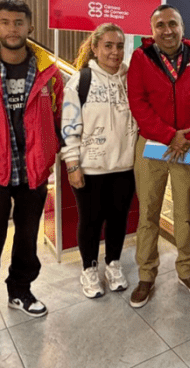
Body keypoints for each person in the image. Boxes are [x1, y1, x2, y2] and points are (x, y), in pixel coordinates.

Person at [0, 0, 64, 346]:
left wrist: (50, 152)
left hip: (33, 171)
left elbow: (59, 116)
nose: (12, 29)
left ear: (30, 27)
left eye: (18, 22)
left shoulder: (49, 71)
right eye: (4, 22)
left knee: (27, 236)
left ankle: (20, 291)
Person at [126, 4, 190, 308]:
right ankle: (146, 275)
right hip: (152, 145)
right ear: (152, 30)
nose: (167, 30)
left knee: (185, 214)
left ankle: (187, 271)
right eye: (160, 25)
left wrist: (188, 137)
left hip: (188, 146)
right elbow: (138, 102)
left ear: (182, 26)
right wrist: (170, 136)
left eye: (173, 24)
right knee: (148, 213)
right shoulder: (141, 58)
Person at [60, 23, 138, 298]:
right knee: (90, 221)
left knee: (118, 220)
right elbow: (69, 126)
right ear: (95, 48)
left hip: (125, 167)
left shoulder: (132, 79)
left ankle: (113, 265)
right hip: (90, 169)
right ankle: (89, 269)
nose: (115, 52)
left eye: (119, 46)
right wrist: (72, 165)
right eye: (108, 45)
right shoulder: (80, 81)